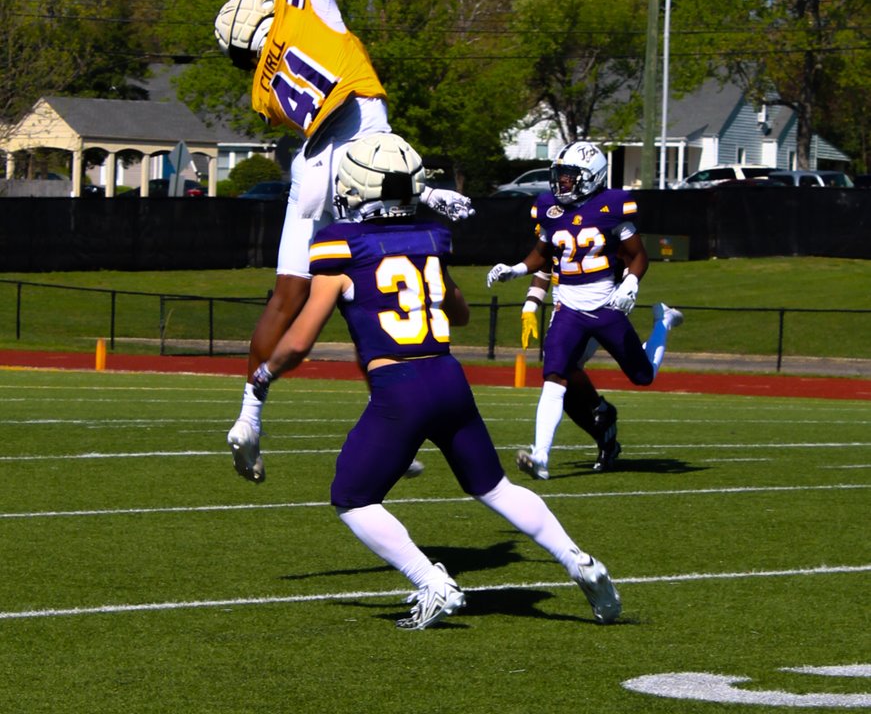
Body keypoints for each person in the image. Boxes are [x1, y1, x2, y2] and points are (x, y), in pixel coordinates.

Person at [249, 131, 621, 630]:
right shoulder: (429, 237)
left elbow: (298, 342)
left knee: (352, 498)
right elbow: (460, 313)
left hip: (399, 388)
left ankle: (432, 582)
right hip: (448, 379)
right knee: (496, 488)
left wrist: (262, 377)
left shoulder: (341, 245)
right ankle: (579, 560)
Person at [215, 0, 472, 483]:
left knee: (289, 296)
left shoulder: (260, 89)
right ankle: (395, 416)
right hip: (362, 142)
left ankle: (249, 413)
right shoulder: (305, 3)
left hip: (310, 170)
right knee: (375, 277)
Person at [487, 140, 684, 481]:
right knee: (554, 375)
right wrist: (515, 270)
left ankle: (663, 322)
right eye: (560, 174)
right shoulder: (549, 208)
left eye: (569, 175)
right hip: (569, 308)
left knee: (643, 376)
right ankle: (541, 455)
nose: (561, 181)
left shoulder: (612, 206)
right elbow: (542, 254)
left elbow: (638, 255)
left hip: (606, 305)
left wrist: (630, 283)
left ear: (591, 176)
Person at [519, 268, 622, 471]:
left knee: (563, 368)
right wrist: (529, 307)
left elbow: (630, 259)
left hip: (594, 306)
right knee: (562, 391)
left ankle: (600, 409)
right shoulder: (553, 245)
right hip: (564, 313)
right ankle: (605, 436)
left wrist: (626, 286)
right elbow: (543, 267)